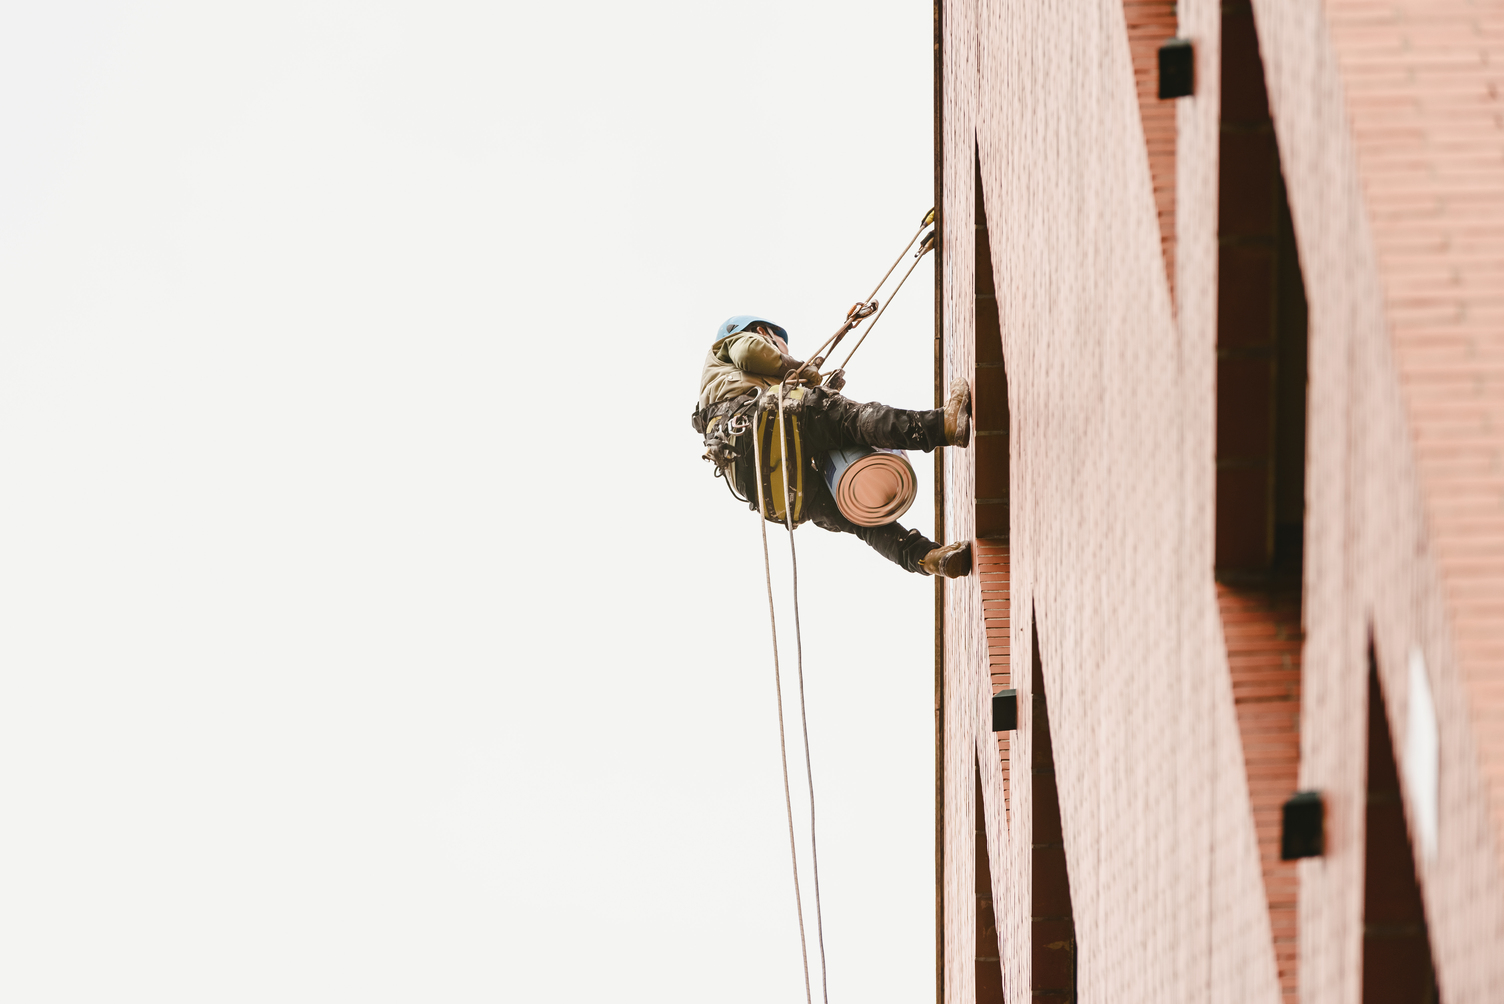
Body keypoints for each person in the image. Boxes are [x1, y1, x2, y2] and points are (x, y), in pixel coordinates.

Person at [693, 314, 974, 577]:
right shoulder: (730, 344)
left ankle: (929, 558)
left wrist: (808, 381)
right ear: (761, 331)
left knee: (860, 517)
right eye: (780, 345)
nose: (784, 352)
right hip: (763, 421)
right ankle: (943, 426)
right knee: (854, 421)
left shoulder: (715, 397)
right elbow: (750, 353)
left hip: (762, 483)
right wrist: (795, 369)